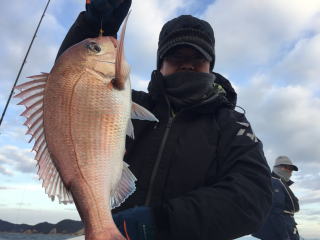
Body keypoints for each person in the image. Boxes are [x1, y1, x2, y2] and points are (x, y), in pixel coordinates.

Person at [57, 0, 272, 239]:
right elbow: (68, 94)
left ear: (210, 66)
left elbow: (254, 195)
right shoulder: (127, 103)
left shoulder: (231, 123)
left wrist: (161, 221)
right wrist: (93, 26)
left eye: (198, 58)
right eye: (176, 57)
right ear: (160, 65)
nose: (187, 65)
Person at [253, 156, 300, 240]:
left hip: (284, 231)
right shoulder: (275, 183)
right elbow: (275, 212)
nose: (290, 171)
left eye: (291, 169)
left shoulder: (277, 183)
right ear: (277, 168)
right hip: (279, 234)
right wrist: (285, 237)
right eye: (286, 167)